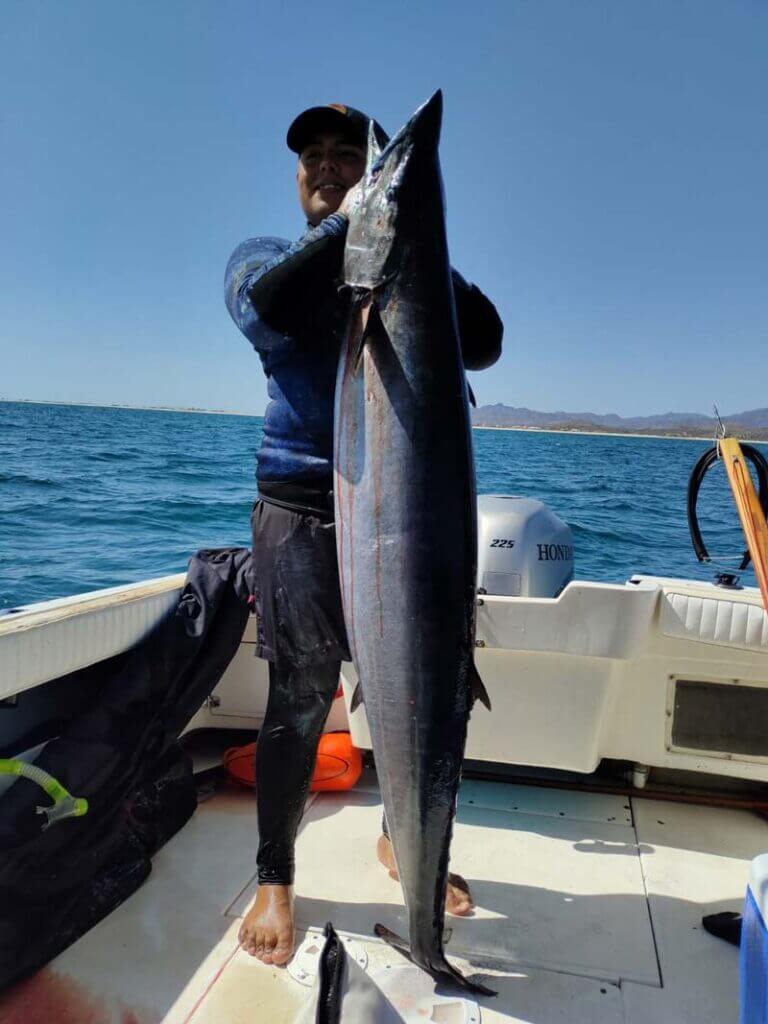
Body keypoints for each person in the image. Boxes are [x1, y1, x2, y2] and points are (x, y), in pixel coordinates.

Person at [224, 103, 503, 967]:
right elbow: (273, 303)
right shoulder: (263, 260)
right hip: (303, 514)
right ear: (297, 174)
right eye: (317, 155)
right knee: (302, 700)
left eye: (351, 154)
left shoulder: (402, 269)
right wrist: (363, 224)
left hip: (411, 515)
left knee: (415, 684)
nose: (333, 165)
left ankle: (408, 845)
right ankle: (276, 874)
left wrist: (415, 239)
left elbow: (485, 342)